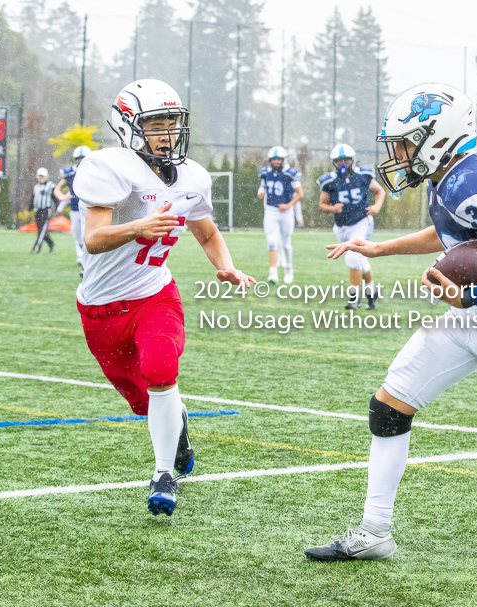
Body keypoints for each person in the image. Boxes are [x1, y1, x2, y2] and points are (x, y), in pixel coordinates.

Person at [305, 83, 477, 561]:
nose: (400, 156)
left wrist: (466, 293)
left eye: (407, 144)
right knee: (389, 406)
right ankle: (375, 532)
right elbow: (450, 230)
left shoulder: (470, 179)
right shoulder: (458, 173)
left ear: (437, 139)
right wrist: (380, 248)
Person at [73, 78, 255, 516]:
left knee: (160, 371)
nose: (167, 131)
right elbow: (94, 239)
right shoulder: (107, 166)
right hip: (100, 307)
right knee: (142, 400)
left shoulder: (192, 175)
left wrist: (223, 265)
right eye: (155, 122)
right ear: (128, 125)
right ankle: (180, 428)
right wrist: (137, 226)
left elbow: (206, 230)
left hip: (154, 295)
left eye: (172, 121)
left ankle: (163, 475)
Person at [317, 144, 386, 310]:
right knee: (361, 258)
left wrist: (376, 207)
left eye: (346, 159)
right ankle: (371, 291)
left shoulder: (363, 175)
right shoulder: (329, 181)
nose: (343, 163)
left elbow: (379, 191)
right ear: (334, 162)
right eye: (339, 160)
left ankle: (355, 299)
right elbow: (322, 204)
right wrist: (333, 208)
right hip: (342, 226)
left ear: (352, 159)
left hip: (362, 222)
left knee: (353, 257)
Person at [257, 146, 303, 284]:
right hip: (271, 211)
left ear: (284, 160)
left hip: (286, 212)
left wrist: (288, 205)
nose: (276, 161)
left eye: (279, 159)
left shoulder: (291, 173)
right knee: (271, 242)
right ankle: (273, 273)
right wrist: (260, 191)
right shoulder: (265, 172)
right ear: (270, 160)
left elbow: (300, 193)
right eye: (274, 159)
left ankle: (288, 269)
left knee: (286, 243)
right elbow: (262, 186)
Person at [55, 145, 92, 267]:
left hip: (90, 208)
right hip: (75, 208)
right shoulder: (70, 172)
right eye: (79, 158)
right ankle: (81, 256)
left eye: (83, 158)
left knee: (87, 234)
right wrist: (63, 198)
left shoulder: (93, 171)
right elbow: (58, 189)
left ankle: (86, 257)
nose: (81, 161)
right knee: (77, 234)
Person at [29, 167, 56, 254]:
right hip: (38, 210)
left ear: (46, 177)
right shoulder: (36, 187)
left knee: (42, 229)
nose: (41, 178)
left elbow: (55, 198)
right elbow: (33, 198)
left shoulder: (50, 186)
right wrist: (30, 208)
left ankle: (37, 247)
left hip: (46, 210)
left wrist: (56, 209)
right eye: (39, 176)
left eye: (42, 176)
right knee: (40, 229)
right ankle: (51, 243)